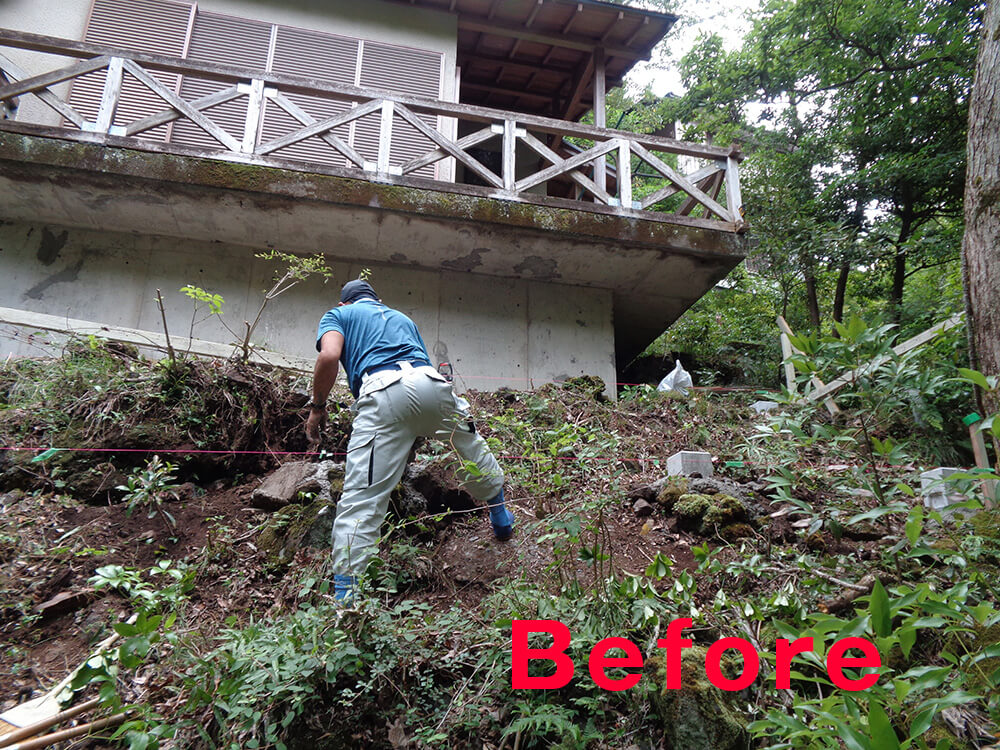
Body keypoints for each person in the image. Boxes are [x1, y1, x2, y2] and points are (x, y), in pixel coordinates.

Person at [305, 279, 514, 603]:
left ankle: (347, 603)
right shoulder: (401, 317)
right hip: (432, 385)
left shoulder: (338, 315)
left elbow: (329, 355)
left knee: (362, 498)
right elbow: (417, 377)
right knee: (471, 447)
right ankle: (500, 518)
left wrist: (318, 408)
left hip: (382, 392)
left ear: (345, 303)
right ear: (379, 299)